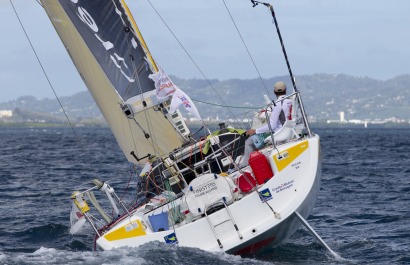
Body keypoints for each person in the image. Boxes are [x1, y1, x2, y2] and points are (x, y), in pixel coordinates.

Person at [239, 81, 292, 167]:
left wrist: (255, 131)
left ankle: (245, 165)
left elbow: (272, 126)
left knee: (249, 141)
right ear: (285, 90)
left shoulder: (277, 105)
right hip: (291, 131)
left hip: (279, 134)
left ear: (274, 92)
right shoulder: (291, 101)